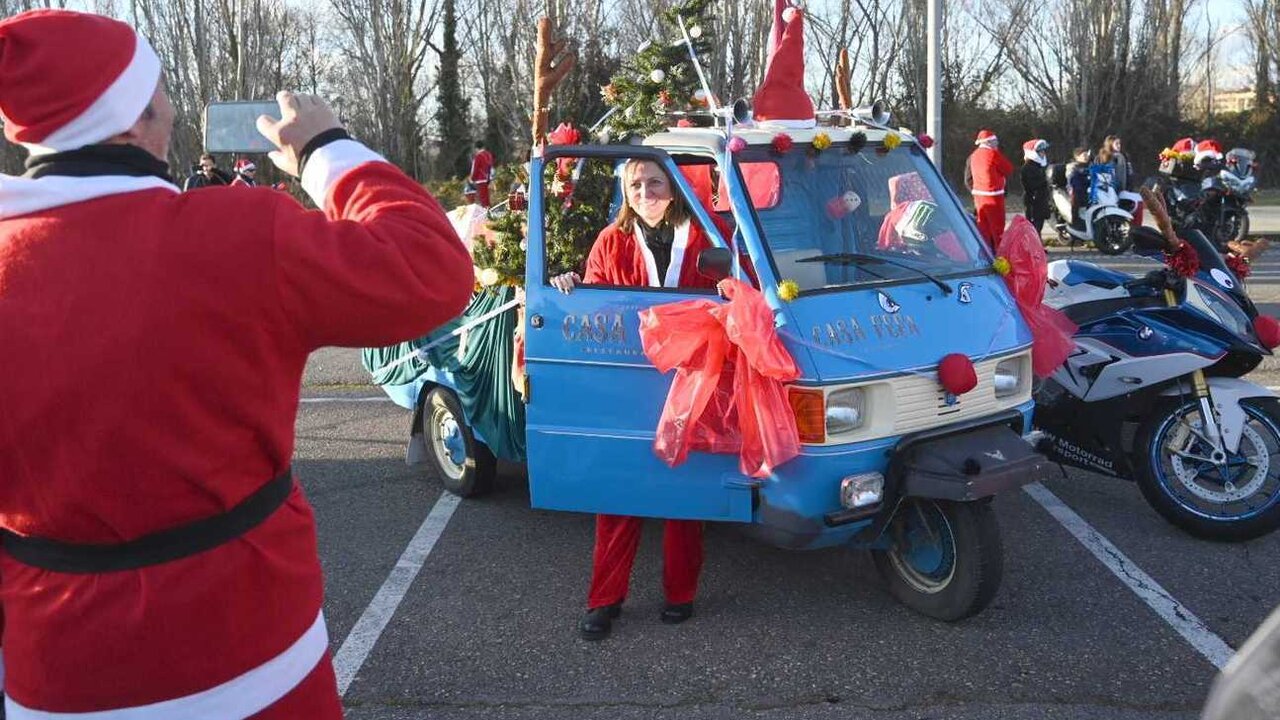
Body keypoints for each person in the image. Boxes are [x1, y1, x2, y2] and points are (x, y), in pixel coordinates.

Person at [0, 9, 472, 717]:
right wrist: (326, 148)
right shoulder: (239, 232)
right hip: (252, 650)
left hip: (56, 664)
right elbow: (432, 268)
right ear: (134, 122)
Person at [550, 158, 735, 641]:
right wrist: (571, 287)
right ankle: (604, 599)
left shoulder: (703, 239)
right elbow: (595, 299)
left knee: (684, 487)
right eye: (636, 184)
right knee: (617, 489)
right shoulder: (611, 240)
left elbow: (736, 290)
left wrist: (728, 291)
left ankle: (680, 592)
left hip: (688, 376)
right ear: (625, 192)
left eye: (654, 182)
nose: (645, 191)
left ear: (672, 187)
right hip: (627, 378)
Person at [964, 129, 1014, 249]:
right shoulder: (992, 154)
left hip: (978, 195)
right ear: (990, 142)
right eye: (995, 142)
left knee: (983, 226)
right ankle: (999, 253)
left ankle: (984, 252)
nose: (997, 144)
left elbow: (968, 178)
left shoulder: (973, 156)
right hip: (994, 194)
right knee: (997, 227)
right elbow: (1008, 169)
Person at [1020, 139, 1051, 236]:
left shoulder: (1039, 166)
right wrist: (1045, 182)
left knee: (1039, 224)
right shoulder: (1027, 167)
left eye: (1043, 151)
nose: (1043, 154)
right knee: (1033, 225)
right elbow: (1030, 185)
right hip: (1033, 200)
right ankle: (1034, 247)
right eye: (1040, 151)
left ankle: (1038, 245)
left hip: (1040, 199)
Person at [447, 181, 489, 251]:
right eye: (468, 195)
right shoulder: (463, 211)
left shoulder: (480, 209)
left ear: (475, 194)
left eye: (472, 194)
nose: (470, 197)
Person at [1067, 147, 1092, 228]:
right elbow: (1072, 180)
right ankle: (1075, 223)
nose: (1086, 157)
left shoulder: (1090, 166)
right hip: (1077, 190)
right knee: (1076, 198)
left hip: (1088, 190)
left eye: (1086, 155)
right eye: (1083, 155)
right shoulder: (1073, 167)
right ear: (1077, 157)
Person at [469, 139, 494, 207]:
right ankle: (488, 209)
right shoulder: (488, 154)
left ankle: (486, 212)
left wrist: (472, 178)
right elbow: (491, 166)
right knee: (487, 197)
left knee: (483, 198)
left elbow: (475, 168)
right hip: (488, 178)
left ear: (476, 148)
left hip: (480, 179)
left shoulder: (478, 156)